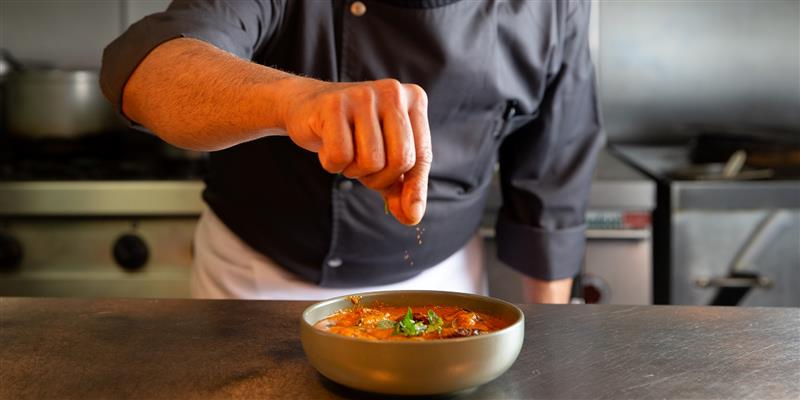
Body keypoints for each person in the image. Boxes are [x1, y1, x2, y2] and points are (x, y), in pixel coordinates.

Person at [100, 0, 602, 303]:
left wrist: (548, 351)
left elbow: (550, 195)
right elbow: (147, 72)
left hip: (443, 281)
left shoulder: (553, 7)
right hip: (255, 283)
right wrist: (299, 101)